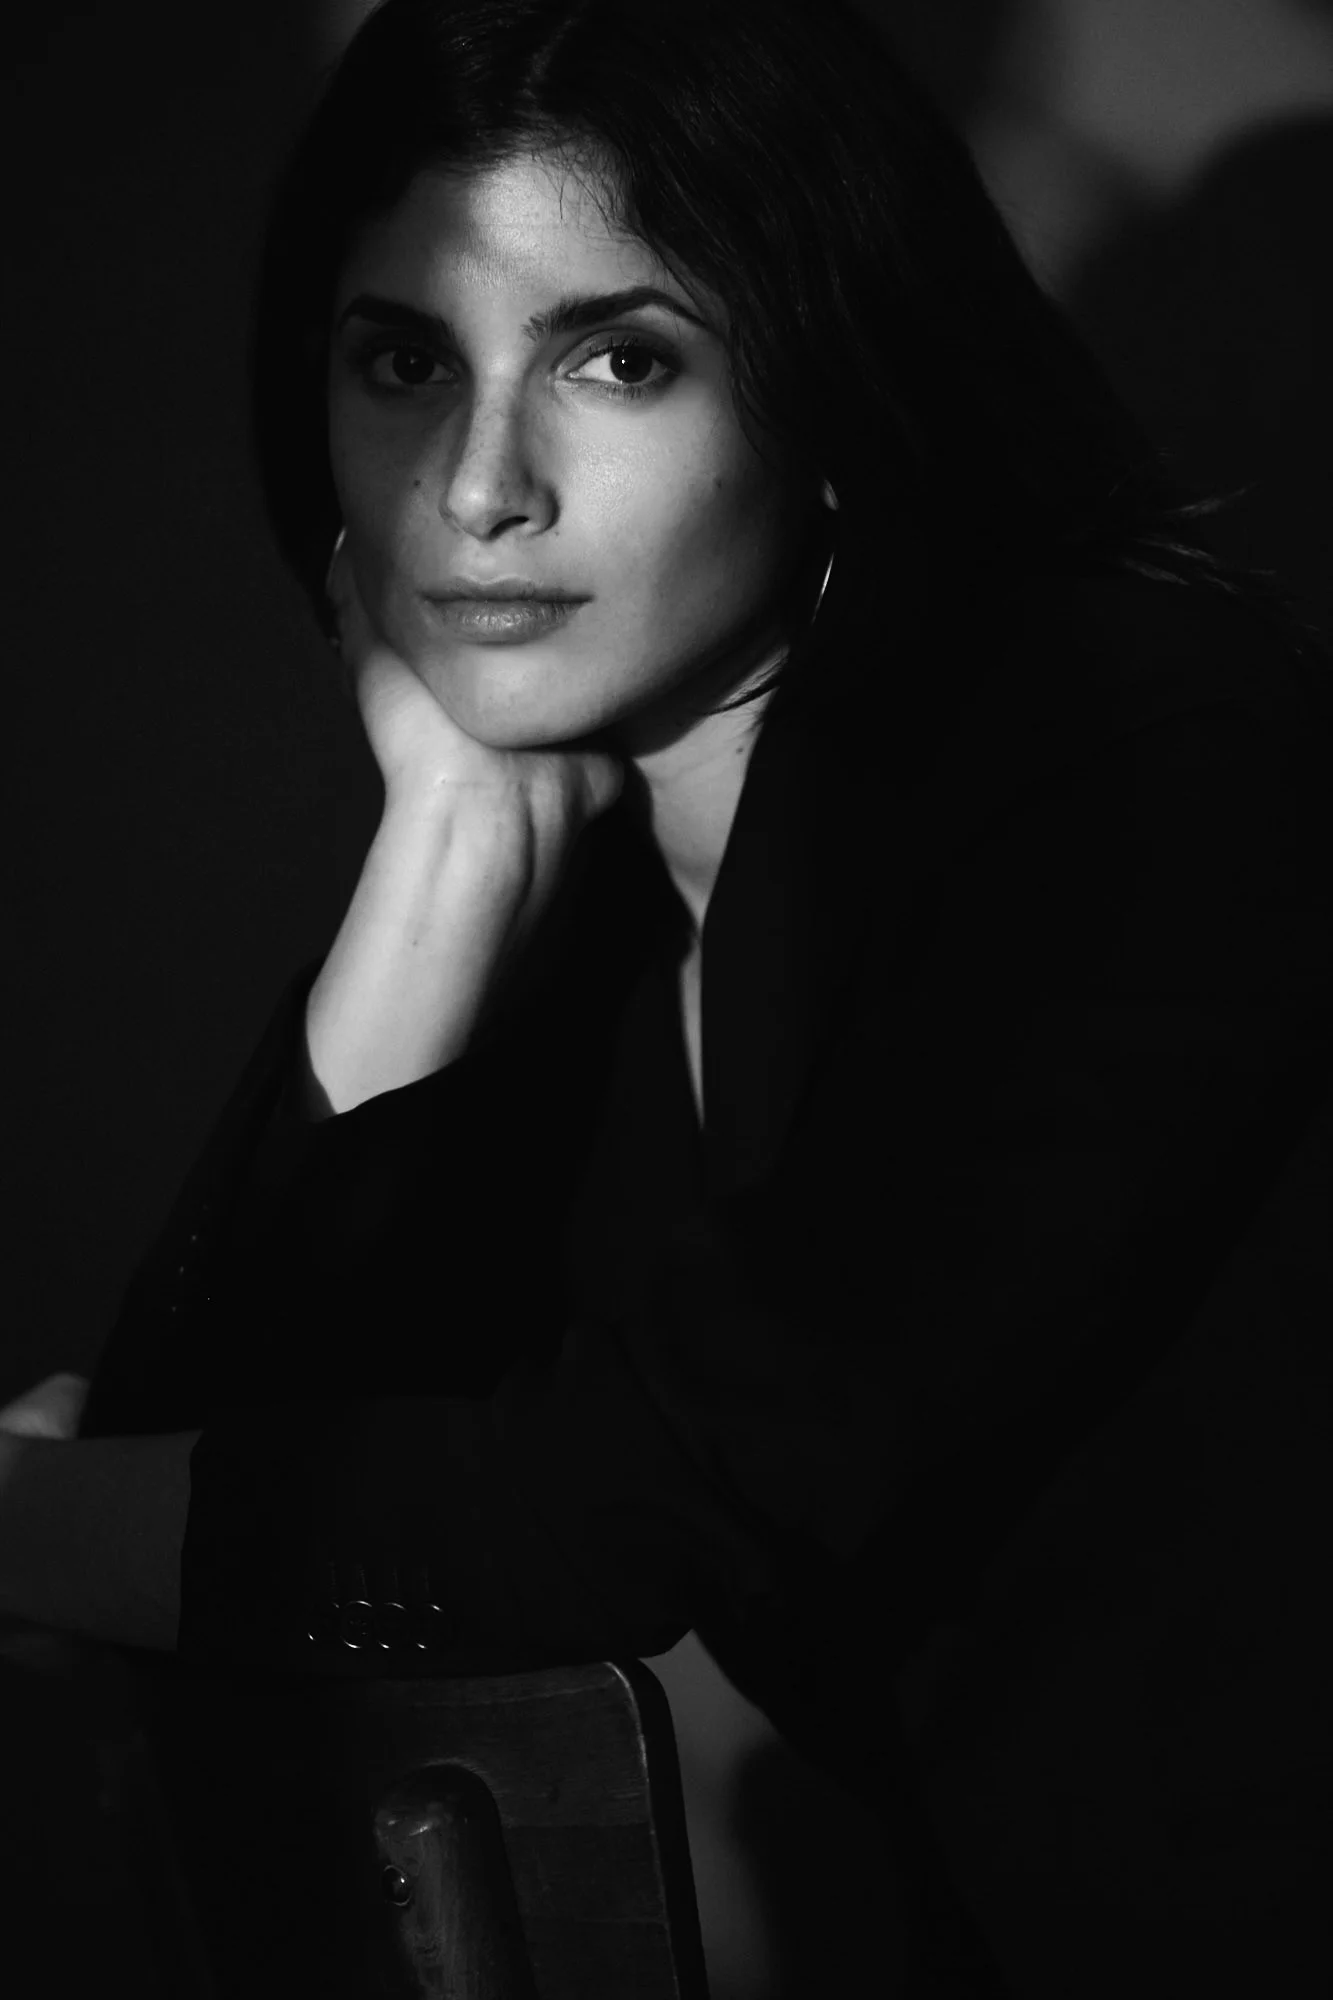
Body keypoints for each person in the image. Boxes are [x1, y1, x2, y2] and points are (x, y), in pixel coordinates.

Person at [4, 0, 1333, 1990]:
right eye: (404, 362)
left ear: (830, 381)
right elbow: (222, 1485)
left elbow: (640, 1489)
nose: (478, 489)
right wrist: (445, 848)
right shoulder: (607, 906)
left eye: (619, 358)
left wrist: (32, 1521)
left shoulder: (1138, 748)